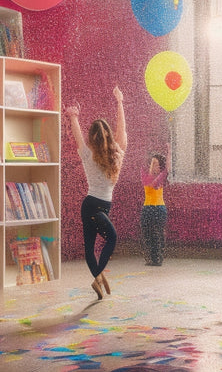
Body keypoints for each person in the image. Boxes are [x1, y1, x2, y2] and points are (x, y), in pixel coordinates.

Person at [65, 86, 127, 300]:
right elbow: (122, 130)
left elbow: (77, 136)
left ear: (93, 137)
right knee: (112, 238)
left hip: (89, 206)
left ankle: (98, 277)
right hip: (96, 207)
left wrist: (74, 116)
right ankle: (97, 277)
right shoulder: (116, 152)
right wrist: (119, 102)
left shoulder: (88, 153)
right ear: (108, 135)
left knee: (90, 249)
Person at [141, 145, 171, 266]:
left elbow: (168, 168)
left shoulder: (161, 177)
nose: (154, 166)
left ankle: (158, 258)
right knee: (147, 233)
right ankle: (150, 257)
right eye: (152, 163)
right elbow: (142, 165)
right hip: (147, 208)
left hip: (159, 208)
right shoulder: (145, 176)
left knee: (158, 233)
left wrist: (169, 152)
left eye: (157, 164)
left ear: (160, 167)